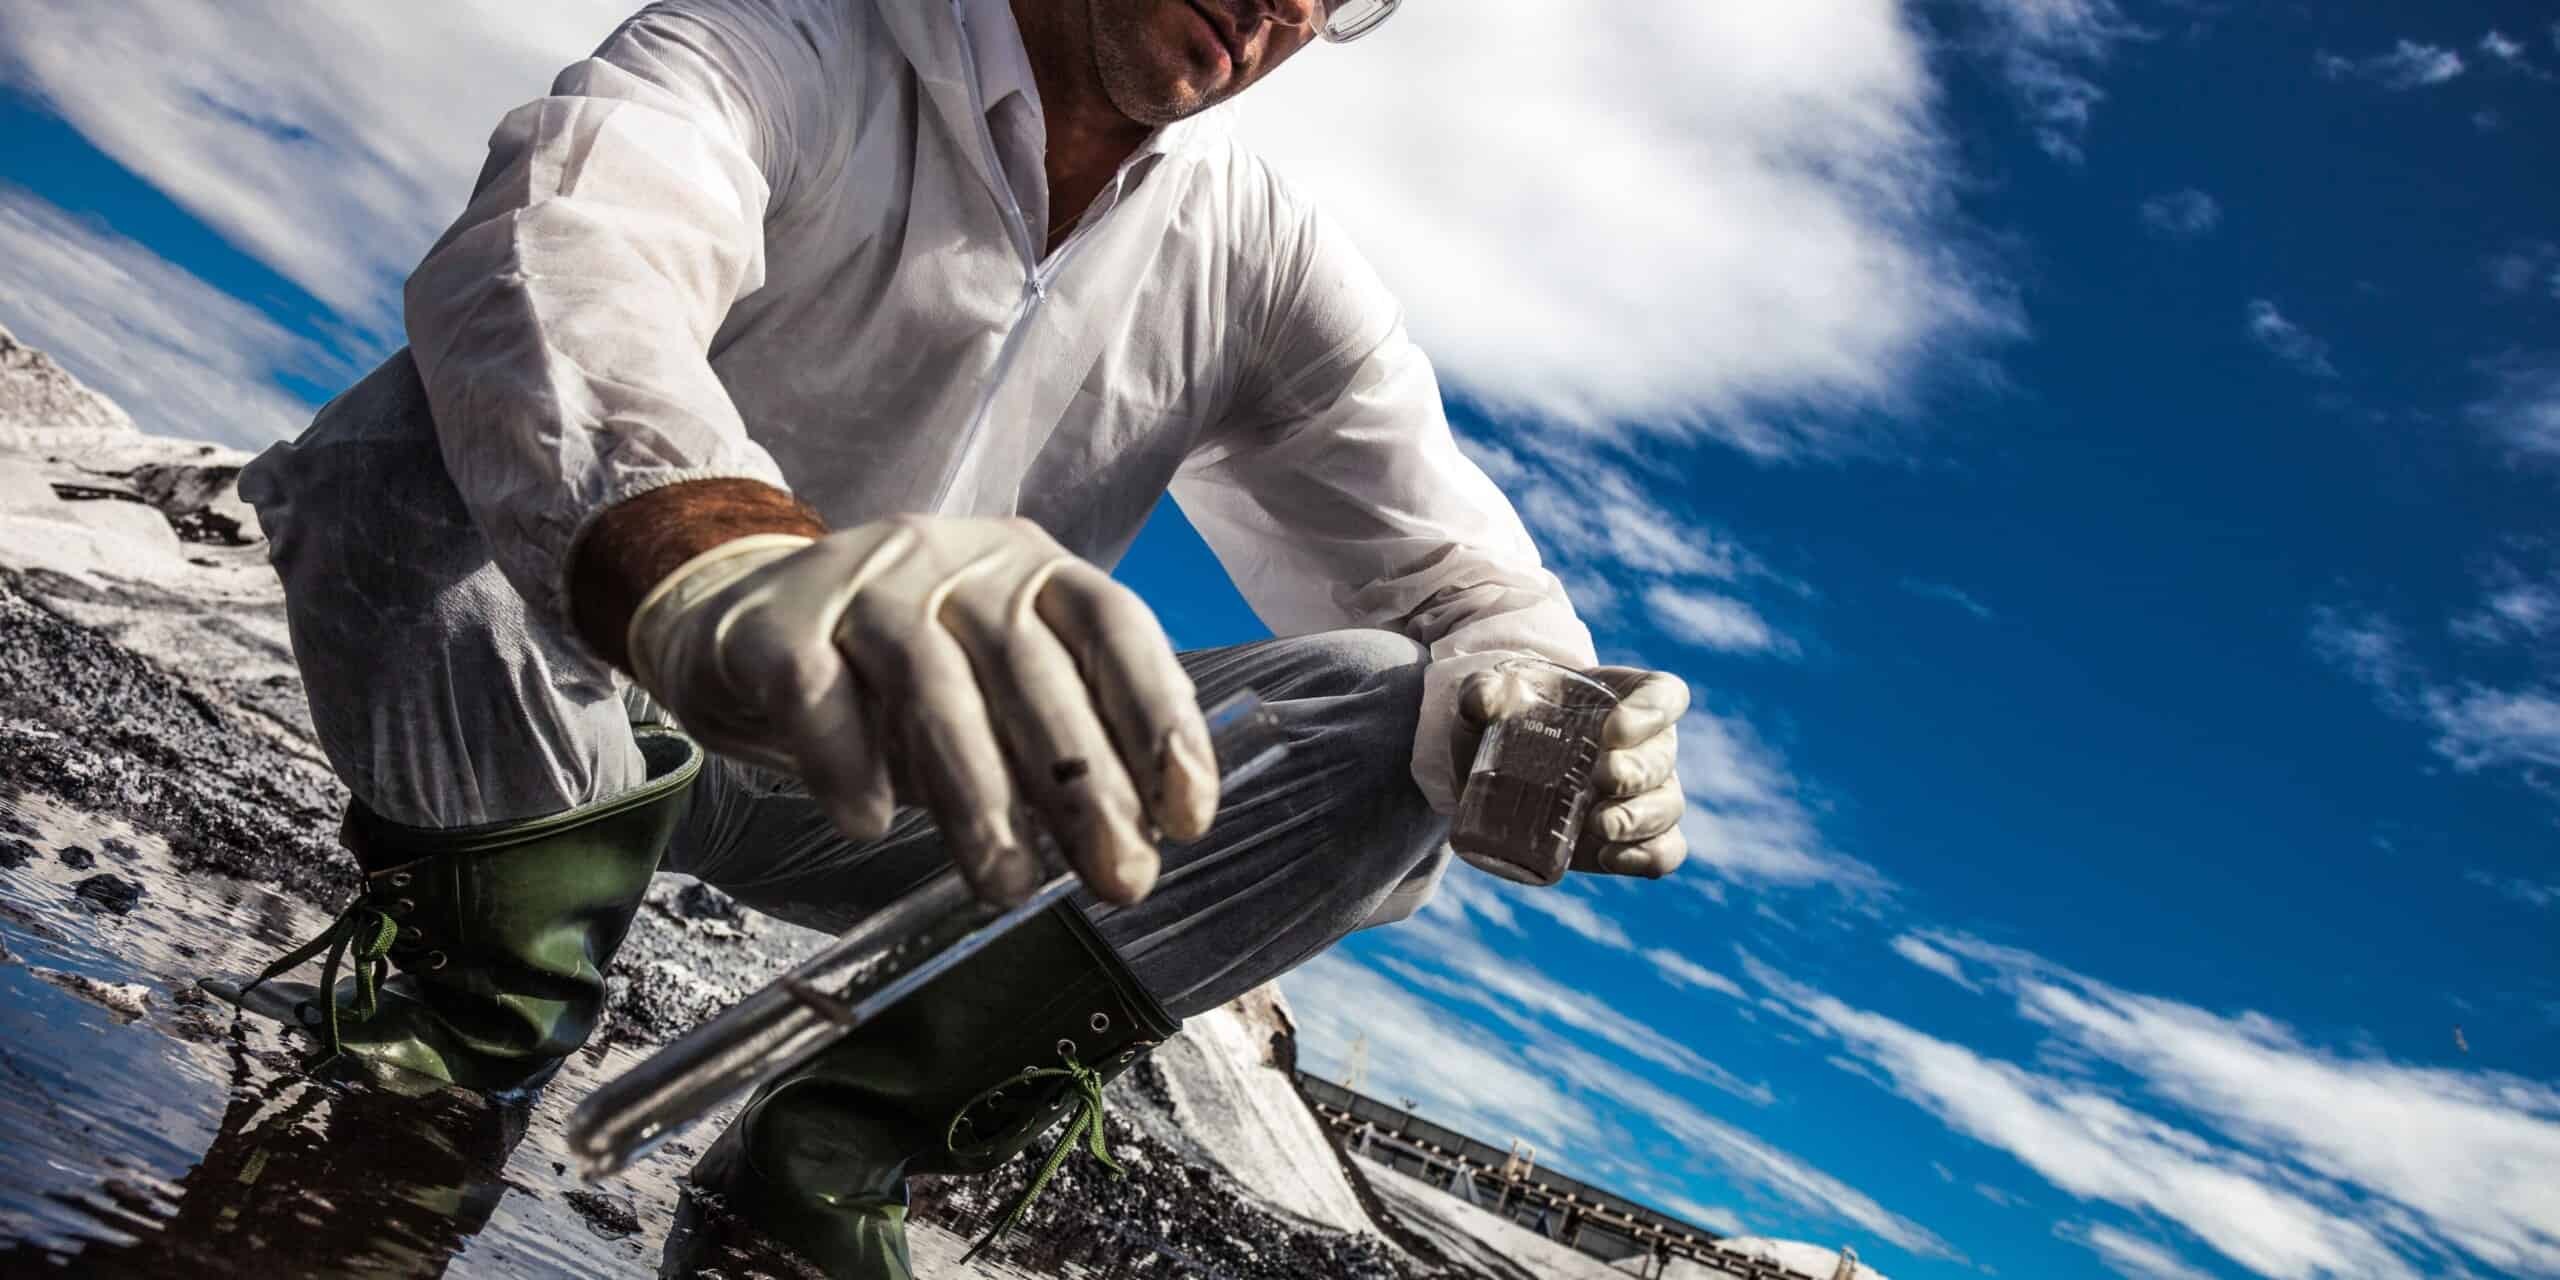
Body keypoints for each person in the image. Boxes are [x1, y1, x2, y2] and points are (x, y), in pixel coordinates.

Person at [214, 0, 1691, 1274]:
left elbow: (1460, 584)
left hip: (935, 793)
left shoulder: (1256, 253)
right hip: (584, 695)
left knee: (1394, 710)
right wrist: (716, 568)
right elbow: (568, 244)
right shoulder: (791, 41)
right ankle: (457, 1038)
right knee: (428, 425)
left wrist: (1541, 707)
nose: (1291, 5)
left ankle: (833, 1165)